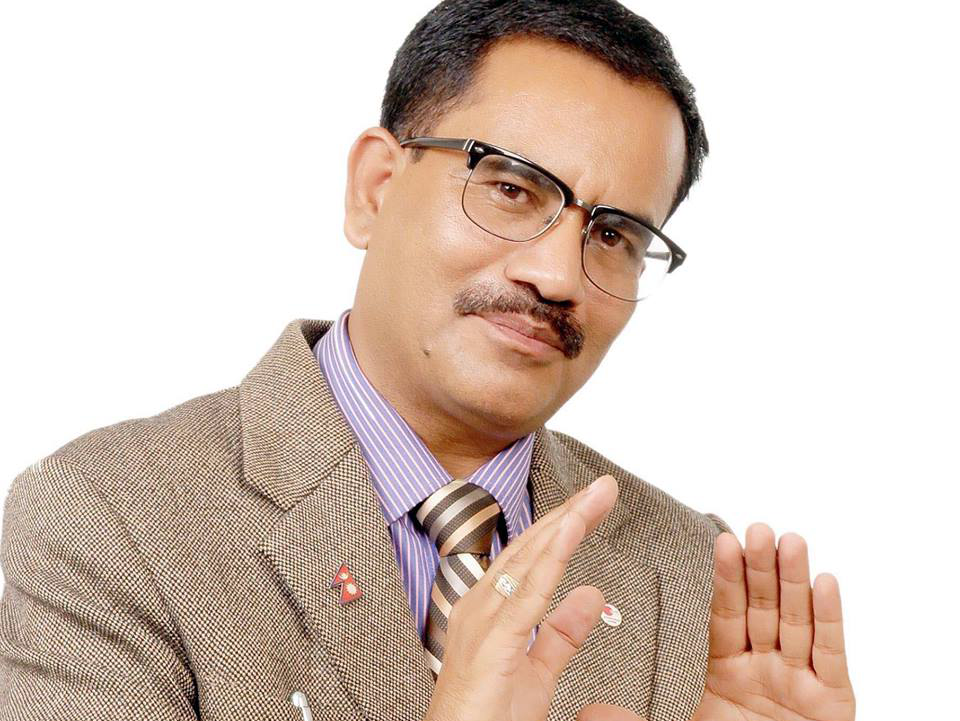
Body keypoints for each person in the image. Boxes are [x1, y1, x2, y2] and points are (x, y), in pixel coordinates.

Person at [0, 1, 855, 720]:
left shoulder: (699, 575)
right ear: (375, 188)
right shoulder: (109, 519)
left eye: (614, 235)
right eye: (512, 189)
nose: (558, 276)